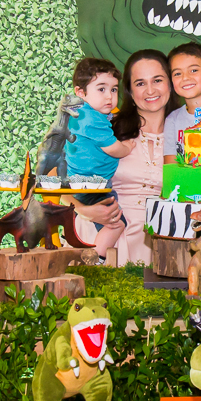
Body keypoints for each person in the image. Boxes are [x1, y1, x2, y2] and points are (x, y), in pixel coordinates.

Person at [72, 50, 172, 266]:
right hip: (98, 235)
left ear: (170, 84)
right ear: (129, 91)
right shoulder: (105, 127)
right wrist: (83, 209)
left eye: (157, 80)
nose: (150, 90)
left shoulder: (188, 138)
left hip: (155, 244)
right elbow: (56, 175)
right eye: (140, 83)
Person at [65, 58, 135, 261]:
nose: (109, 96)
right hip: (92, 185)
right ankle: (94, 258)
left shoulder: (82, 113)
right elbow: (113, 148)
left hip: (80, 182)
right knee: (116, 223)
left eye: (114, 90)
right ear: (80, 92)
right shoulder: (92, 119)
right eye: (101, 89)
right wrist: (127, 147)